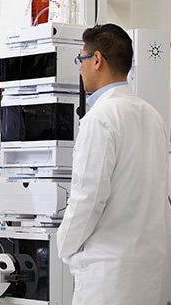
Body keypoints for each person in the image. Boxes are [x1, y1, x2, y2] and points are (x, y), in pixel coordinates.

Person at [56, 23, 168, 305]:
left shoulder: (100, 118)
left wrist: (64, 247)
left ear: (96, 60)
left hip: (106, 274)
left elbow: (88, 198)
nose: (80, 69)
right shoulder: (153, 116)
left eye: (81, 59)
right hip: (147, 270)